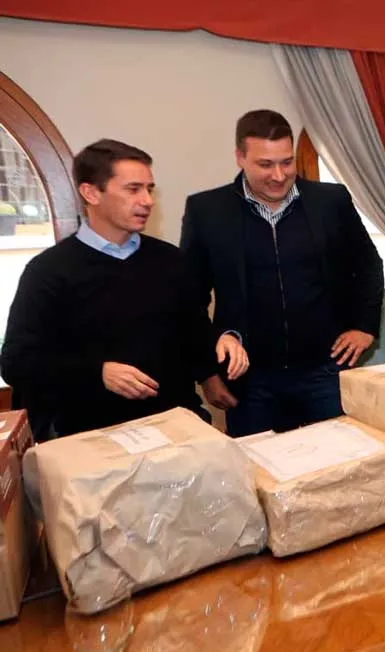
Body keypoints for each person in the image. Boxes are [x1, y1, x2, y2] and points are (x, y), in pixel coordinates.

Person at [0, 140, 231, 438]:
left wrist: (210, 374)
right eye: (133, 189)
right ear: (91, 193)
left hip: (176, 425)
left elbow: (194, 331)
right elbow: (17, 363)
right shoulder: (48, 271)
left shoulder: (170, 260)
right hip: (91, 438)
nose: (147, 201)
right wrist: (98, 373)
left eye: (149, 189)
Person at [181, 110, 383, 437]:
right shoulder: (207, 211)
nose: (278, 175)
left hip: (325, 370)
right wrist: (207, 372)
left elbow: (368, 264)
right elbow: (189, 298)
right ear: (240, 157)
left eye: (287, 162)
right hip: (250, 380)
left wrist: (364, 326)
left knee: (339, 458)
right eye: (265, 164)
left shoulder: (330, 201)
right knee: (258, 465)